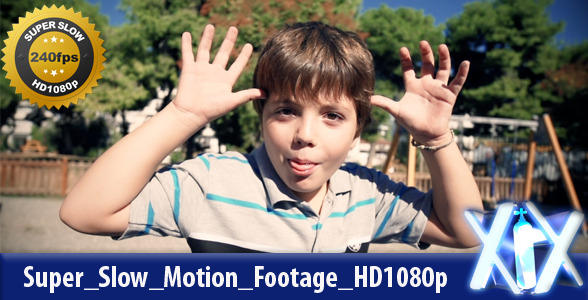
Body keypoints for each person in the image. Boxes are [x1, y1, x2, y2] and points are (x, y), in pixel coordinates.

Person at [60, 22, 483, 253]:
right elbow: (84, 212)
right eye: (287, 111)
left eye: (333, 116)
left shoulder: (367, 197)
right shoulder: (210, 183)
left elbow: (468, 232)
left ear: (359, 128)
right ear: (261, 114)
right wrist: (181, 115)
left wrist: (437, 138)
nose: (305, 135)